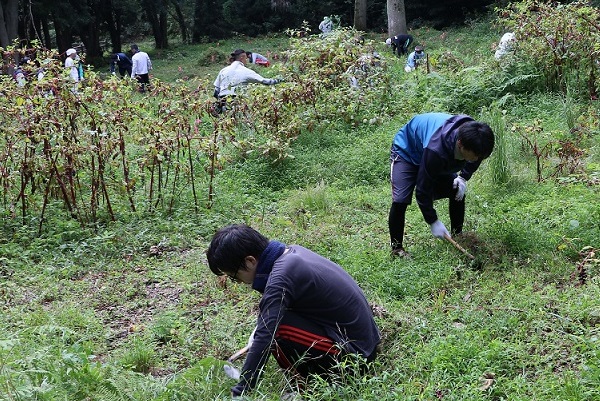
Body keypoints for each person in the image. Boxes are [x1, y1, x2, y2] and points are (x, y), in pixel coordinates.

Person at [206, 224, 381, 397]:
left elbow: (266, 334)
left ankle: (303, 391)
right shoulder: (291, 255)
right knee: (272, 325)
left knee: (277, 331)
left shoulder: (280, 278)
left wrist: (241, 390)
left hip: (356, 358)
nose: (237, 282)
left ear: (250, 261)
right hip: (363, 342)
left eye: (234, 276)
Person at [388, 113, 495, 257]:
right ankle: (397, 249)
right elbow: (422, 190)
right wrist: (433, 221)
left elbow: (476, 157)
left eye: (480, 156)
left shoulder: (476, 138)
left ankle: (458, 236)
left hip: (431, 151)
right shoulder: (437, 150)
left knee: (456, 190)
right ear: (460, 144)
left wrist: (463, 178)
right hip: (407, 152)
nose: (476, 159)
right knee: (400, 200)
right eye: (475, 155)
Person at [212, 49, 281, 113]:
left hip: (223, 100)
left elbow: (216, 90)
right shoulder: (246, 71)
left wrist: (219, 103)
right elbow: (265, 81)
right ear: (242, 57)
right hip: (237, 99)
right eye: (246, 58)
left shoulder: (223, 70)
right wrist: (280, 80)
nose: (247, 60)